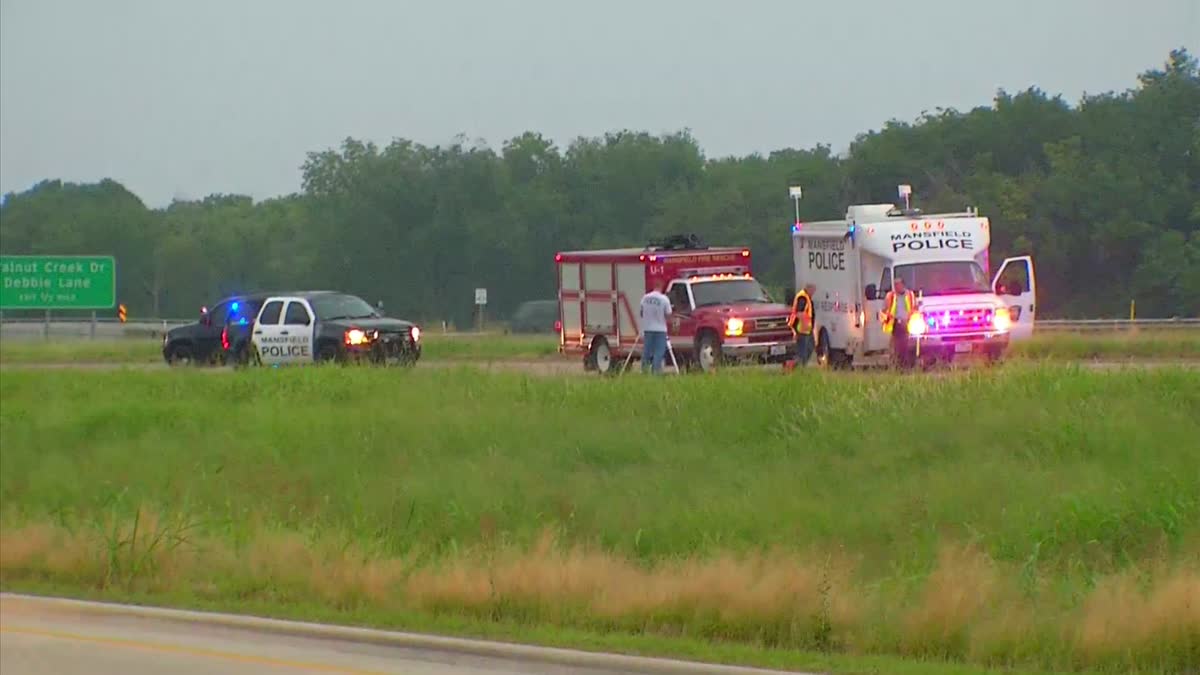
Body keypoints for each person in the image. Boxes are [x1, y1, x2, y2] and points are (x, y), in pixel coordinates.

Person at [881, 277, 917, 368]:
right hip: (895, 323)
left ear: (903, 285)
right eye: (895, 285)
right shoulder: (891, 296)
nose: (896, 287)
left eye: (898, 285)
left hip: (907, 324)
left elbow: (914, 308)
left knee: (905, 346)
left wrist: (910, 318)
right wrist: (886, 317)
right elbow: (884, 309)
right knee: (895, 347)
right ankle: (897, 365)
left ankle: (906, 365)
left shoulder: (910, 295)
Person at [639, 279, 673, 374]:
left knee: (647, 351)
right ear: (661, 287)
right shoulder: (664, 299)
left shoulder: (645, 298)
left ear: (654, 286)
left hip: (648, 329)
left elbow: (641, 313)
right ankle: (655, 372)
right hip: (660, 330)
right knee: (659, 352)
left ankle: (644, 371)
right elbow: (668, 315)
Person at [788, 283, 818, 367]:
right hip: (801, 329)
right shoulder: (802, 297)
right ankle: (798, 367)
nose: (813, 292)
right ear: (808, 289)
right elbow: (798, 313)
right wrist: (803, 326)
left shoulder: (807, 297)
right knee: (802, 351)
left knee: (810, 347)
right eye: (813, 290)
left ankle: (798, 365)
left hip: (807, 329)